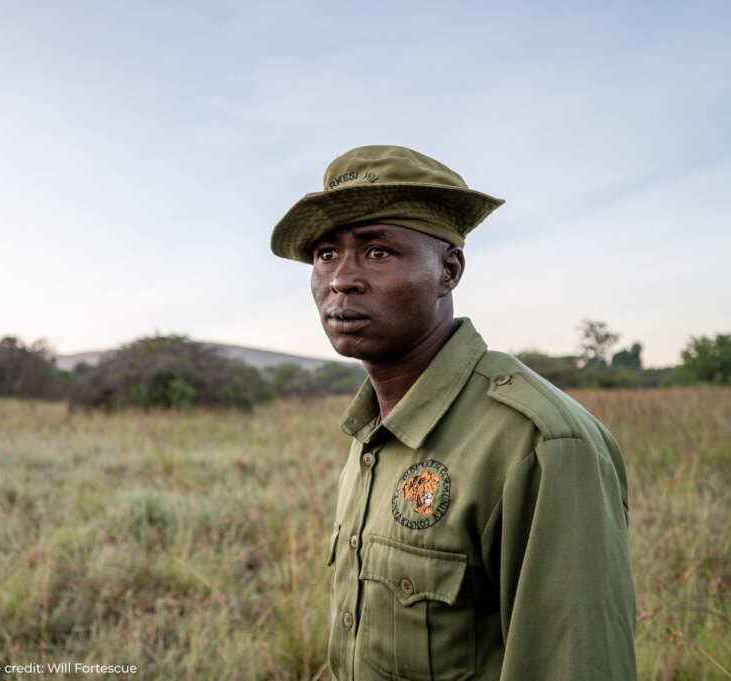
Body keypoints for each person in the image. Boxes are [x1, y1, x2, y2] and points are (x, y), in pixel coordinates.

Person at [270, 146, 637, 681]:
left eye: (377, 252)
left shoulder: (538, 442)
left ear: (448, 270)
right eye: (327, 254)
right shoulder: (375, 429)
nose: (340, 279)